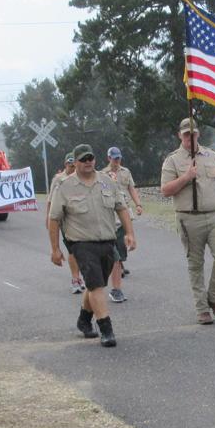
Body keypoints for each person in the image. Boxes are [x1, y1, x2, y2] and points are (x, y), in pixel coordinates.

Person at [48, 144, 136, 347]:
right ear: (75, 162)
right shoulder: (65, 186)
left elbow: (121, 208)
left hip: (107, 241)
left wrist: (130, 233)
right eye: (83, 159)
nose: (88, 162)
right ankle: (106, 329)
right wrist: (55, 249)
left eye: (91, 158)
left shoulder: (107, 182)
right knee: (96, 285)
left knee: (95, 283)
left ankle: (84, 320)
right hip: (81, 243)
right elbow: (54, 219)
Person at [161, 118, 215, 325]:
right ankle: (202, 308)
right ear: (180, 135)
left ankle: (213, 297)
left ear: (198, 135)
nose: (190, 138)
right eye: (186, 134)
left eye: (193, 134)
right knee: (196, 264)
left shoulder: (212, 156)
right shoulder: (173, 160)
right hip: (189, 218)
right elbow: (166, 190)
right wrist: (186, 177)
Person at [102, 146, 143, 304]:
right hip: (110, 218)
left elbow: (131, 189)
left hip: (124, 216)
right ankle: (116, 289)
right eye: (114, 158)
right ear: (108, 158)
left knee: (120, 253)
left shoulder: (126, 172)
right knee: (115, 257)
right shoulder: (102, 175)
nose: (117, 160)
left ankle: (117, 267)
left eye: (118, 157)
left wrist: (138, 204)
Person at [45, 152, 85, 294]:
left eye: (73, 164)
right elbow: (50, 200)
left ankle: (83, 276)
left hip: (81, 219)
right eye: (69, 164)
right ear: (65, 164)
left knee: (83, 250)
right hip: (64, 219)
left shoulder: (81, 177)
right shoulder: (58, 179)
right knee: (72, 250)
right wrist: (48, 218)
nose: (71, 167)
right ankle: (75, 279)